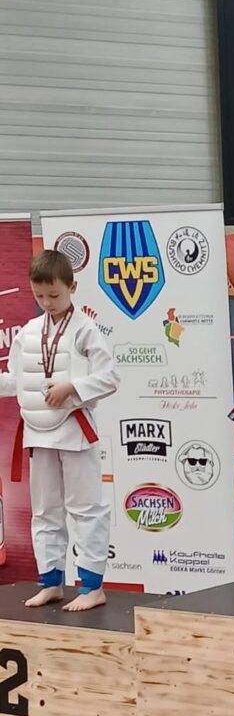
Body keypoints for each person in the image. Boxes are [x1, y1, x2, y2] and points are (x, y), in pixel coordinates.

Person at [0, 250, 118, 611]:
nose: (47, 302)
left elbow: (110, 377)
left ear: (72, 287)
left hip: (75, 431)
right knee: (45, 511)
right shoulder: (28, 333)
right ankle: (50, 582)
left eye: (54, 295)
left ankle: (93, 586)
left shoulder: (85, 329)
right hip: (38, 433)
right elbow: (17, 381)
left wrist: (72, 388)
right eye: (39, 296)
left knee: (86, 509)